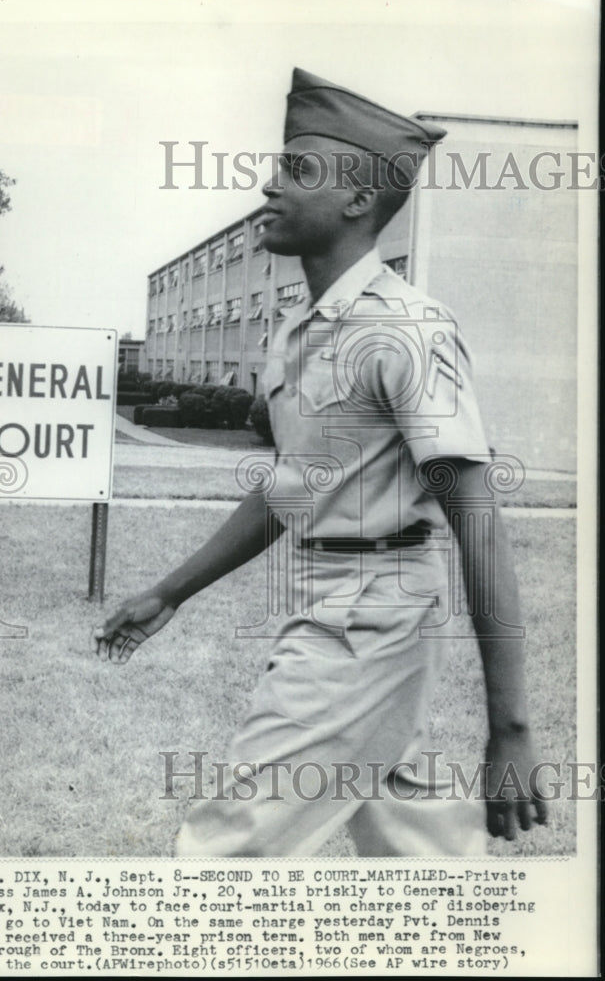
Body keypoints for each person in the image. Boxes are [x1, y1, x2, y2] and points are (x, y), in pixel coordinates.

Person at [93, 67, 547, 856]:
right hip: (328, 596)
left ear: (358, 201)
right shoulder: (299, 331)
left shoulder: (407, 331)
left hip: (372, 617)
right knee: (413, 846)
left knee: (226, 852)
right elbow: (293, 489)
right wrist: (170, 592)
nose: (267, 185)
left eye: (296, 171)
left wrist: (510, 729)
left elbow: (478, 521)